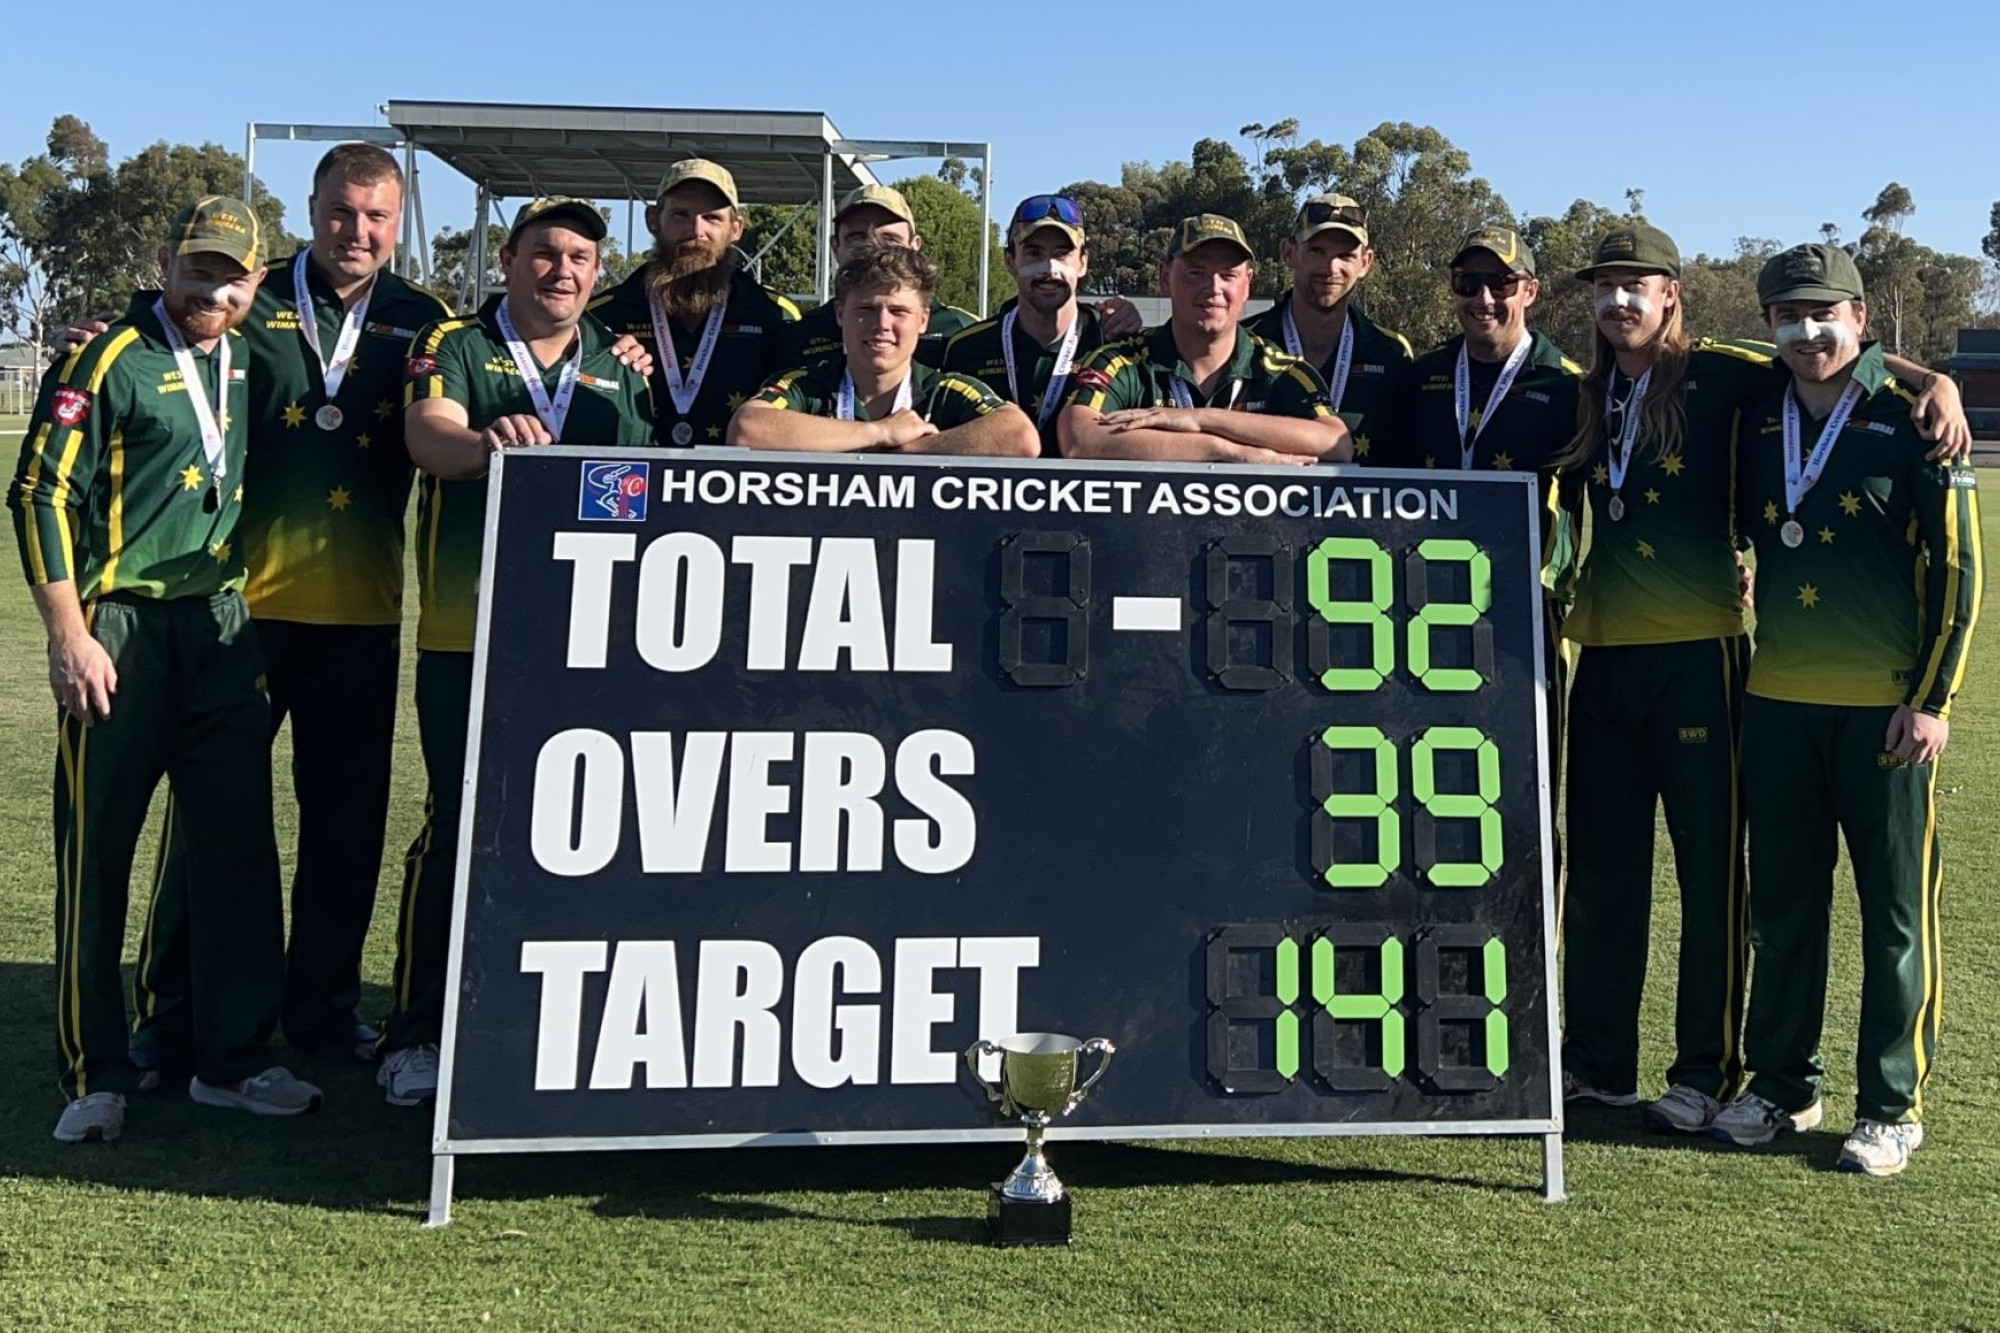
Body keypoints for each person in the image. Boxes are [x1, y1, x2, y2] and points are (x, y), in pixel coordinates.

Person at [1554, 225, 1973, 1132]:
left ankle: (1710, 1070)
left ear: (1672, 295)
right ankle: (1599, 1063)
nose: (1621, 301)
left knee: (1717, 877)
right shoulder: (1586, 393)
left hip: (1707, 657)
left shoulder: (1726, 370)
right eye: (1606, 287)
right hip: (1610, 660)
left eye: (1640, 285)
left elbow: (1837, 357)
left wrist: (1930, 378)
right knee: (1604, 873)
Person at [114, 144, 452, 1082]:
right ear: (311, 207)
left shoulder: (423, 323)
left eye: (378, 217)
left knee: (347, 826)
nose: (359, 232)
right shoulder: (247, 300)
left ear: (399, 220)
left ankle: (323, 1013)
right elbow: (154, 336)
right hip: (236, 610)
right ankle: (172, 1016)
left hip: (361, 612)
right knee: (210, 823)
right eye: (343, 212)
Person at [8, 197, 324, 1141]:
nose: (213, 289)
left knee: (233, 850)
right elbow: (37, 490)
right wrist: (69, 632)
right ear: (163, 259)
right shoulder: (104, 356)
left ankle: (228, 1059)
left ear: (257, 281)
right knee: (98, 852)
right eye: (197, 268)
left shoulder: (258, 349)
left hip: (223, 625)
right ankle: (93, 1070)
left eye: (233, 274)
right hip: (123, 627)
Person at [1710, 244, 1980, 1177]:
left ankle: (1891, 1103)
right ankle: (1783, 1084)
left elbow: (1959, 570)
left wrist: (1932, 698)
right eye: (1787, 313)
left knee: (1897, 915)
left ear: (1862, 320)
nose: (1807, 330)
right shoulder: (1754, 410)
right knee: (1782, 910)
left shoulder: (1917, 420)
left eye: (1826, 312)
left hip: (1886, 715)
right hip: (1778, 703)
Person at [378, 197, 655, 1107]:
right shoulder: (454, 341)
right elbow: (427, 436)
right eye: (544, 253)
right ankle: (413, 1031)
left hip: (591, 643)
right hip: (471, 633)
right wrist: (482, 441)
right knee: (460, 825)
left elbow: (644, 487)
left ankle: (539, 1023)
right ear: (508, 258)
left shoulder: (618, 360)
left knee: (581, 835)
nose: (562, 270)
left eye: (580, 255)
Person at [1056, 214, 1350, 464]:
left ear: (1247, 285)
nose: (1213, 287)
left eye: (1228, 275)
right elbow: (1079, 438)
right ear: (1165, 278)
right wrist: (1223, 451)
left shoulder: (1282, 369)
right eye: (1196, 273)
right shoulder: (1122, 361)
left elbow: (1335, 442)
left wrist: (1201, 419)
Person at [730, 243, 1037, 456]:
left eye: (899, 311)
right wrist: (879, 433)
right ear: (840, 313)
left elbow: (1020, 438)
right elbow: (747, 428)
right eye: (867, 308)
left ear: (923, 320)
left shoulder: (944, 391)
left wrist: (905, 451)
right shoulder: (805, 386)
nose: (882, 324)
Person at [587, 158, 800, 446]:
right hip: (634, 482)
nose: (696, 230)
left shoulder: (775, 315)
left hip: (733, 485)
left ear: (736, 229)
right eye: (681, 215)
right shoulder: (602, 316)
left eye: (712, 217)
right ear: (653, 220)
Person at [941, 194, 1144, 455]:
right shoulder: (967, 348)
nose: (1049, 269)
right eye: (1034, 253)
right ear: (1010, 261)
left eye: (1063, 254)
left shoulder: (1115, 342)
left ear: (1083, 263)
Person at [1243, 194, 1413, 458]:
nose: (1331, 268)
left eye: (1345, 255)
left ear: (1365, 264)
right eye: (1317, 251)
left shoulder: (1391, 352)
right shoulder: (1245, 342)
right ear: (1289, 253)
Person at [779, 185, 977, 368]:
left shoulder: (960, 330)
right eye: (857, 238)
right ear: (835, 247)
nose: (872, 247)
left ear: (915, 246)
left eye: (890, 239)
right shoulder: (801, 335)